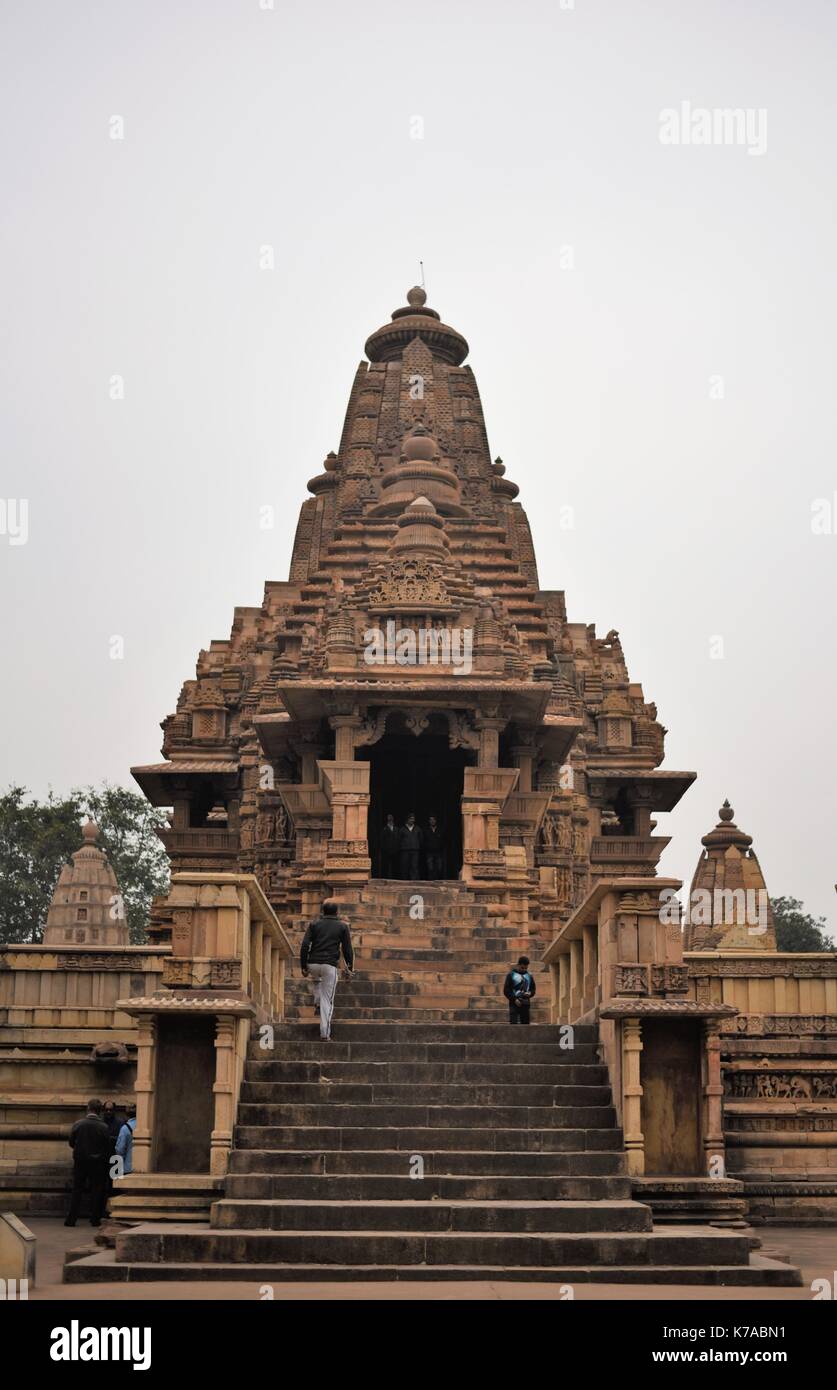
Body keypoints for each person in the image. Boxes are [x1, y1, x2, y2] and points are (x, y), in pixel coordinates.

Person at [300, 898, 354, 1040]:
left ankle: (317, 1000)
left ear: (323, 911)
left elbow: (305, 945)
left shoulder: (314, 924)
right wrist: (349, 969)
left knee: (318, 980)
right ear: (337, 912)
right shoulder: (342, 927)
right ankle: (325, 1033)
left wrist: (303, 965)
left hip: (313, 964)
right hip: (329, 965)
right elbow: (347, 949)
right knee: (328, 1000)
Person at [65, 1098, 110, 1227]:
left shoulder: (78, 1124)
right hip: (97, 1163)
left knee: (77, 1189)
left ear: (88, 1108)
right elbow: (106, 1146)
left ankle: (71, 1219)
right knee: (96, 1190)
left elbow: (71, 1142)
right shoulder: (103, 1126)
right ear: (100, 1111)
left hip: (80, 1161)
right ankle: (94, 1219)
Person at [503, 956, 536, 1025]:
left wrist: (530, 994)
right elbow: (506, 990)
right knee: (513, 1025)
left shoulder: (529, 976)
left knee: (525, 1025)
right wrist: (514, 999)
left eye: (526, 968)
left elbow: (533, 989)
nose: (524, 969)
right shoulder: (511, 975)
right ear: (518, 965)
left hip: (526, 1003)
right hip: (514, 1003)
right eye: (522, 968)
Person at [398, 812, 423, 879]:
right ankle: (404, 881)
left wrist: (417, 845)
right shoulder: (402, 829)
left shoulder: (418, 828)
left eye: (413, 819)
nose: (412, 820)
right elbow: (399, 839)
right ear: (407, 819)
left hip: (415, 851)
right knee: (405, 866)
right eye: (411, 819)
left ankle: (414, 881)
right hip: (405, 851)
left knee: (414, 866)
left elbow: (421, 839)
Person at [114, 1106, 137, 1176]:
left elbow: (120, 1149)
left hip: (128, 1167)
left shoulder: (125, 1128)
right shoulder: (145, 1127)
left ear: (126, 1115)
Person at [424, 814, 444, 879]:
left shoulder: (440, 829)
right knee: (430, 868)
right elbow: (423, 840)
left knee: (439, 868)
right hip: (429, 852)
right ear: (429, 821)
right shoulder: (426, 830)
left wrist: (440, 846)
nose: (432, 821)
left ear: (436, 821)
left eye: (433, 820)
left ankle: (438, 881)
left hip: (438, 851)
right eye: (431, 820)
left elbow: (444, 839)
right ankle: (431, 882)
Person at [380, 812, 399, 879]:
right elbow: (382, 840)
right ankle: (385, 877)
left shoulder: (396, 829)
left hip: (395, 850)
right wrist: (383, 849)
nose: (390, 819)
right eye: (389, 817)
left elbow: (398, 839)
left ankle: (394, 877)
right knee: (386, 865)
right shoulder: (384, 829)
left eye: (391, 817)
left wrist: (397, 848)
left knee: (395, 865)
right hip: (386, 850)